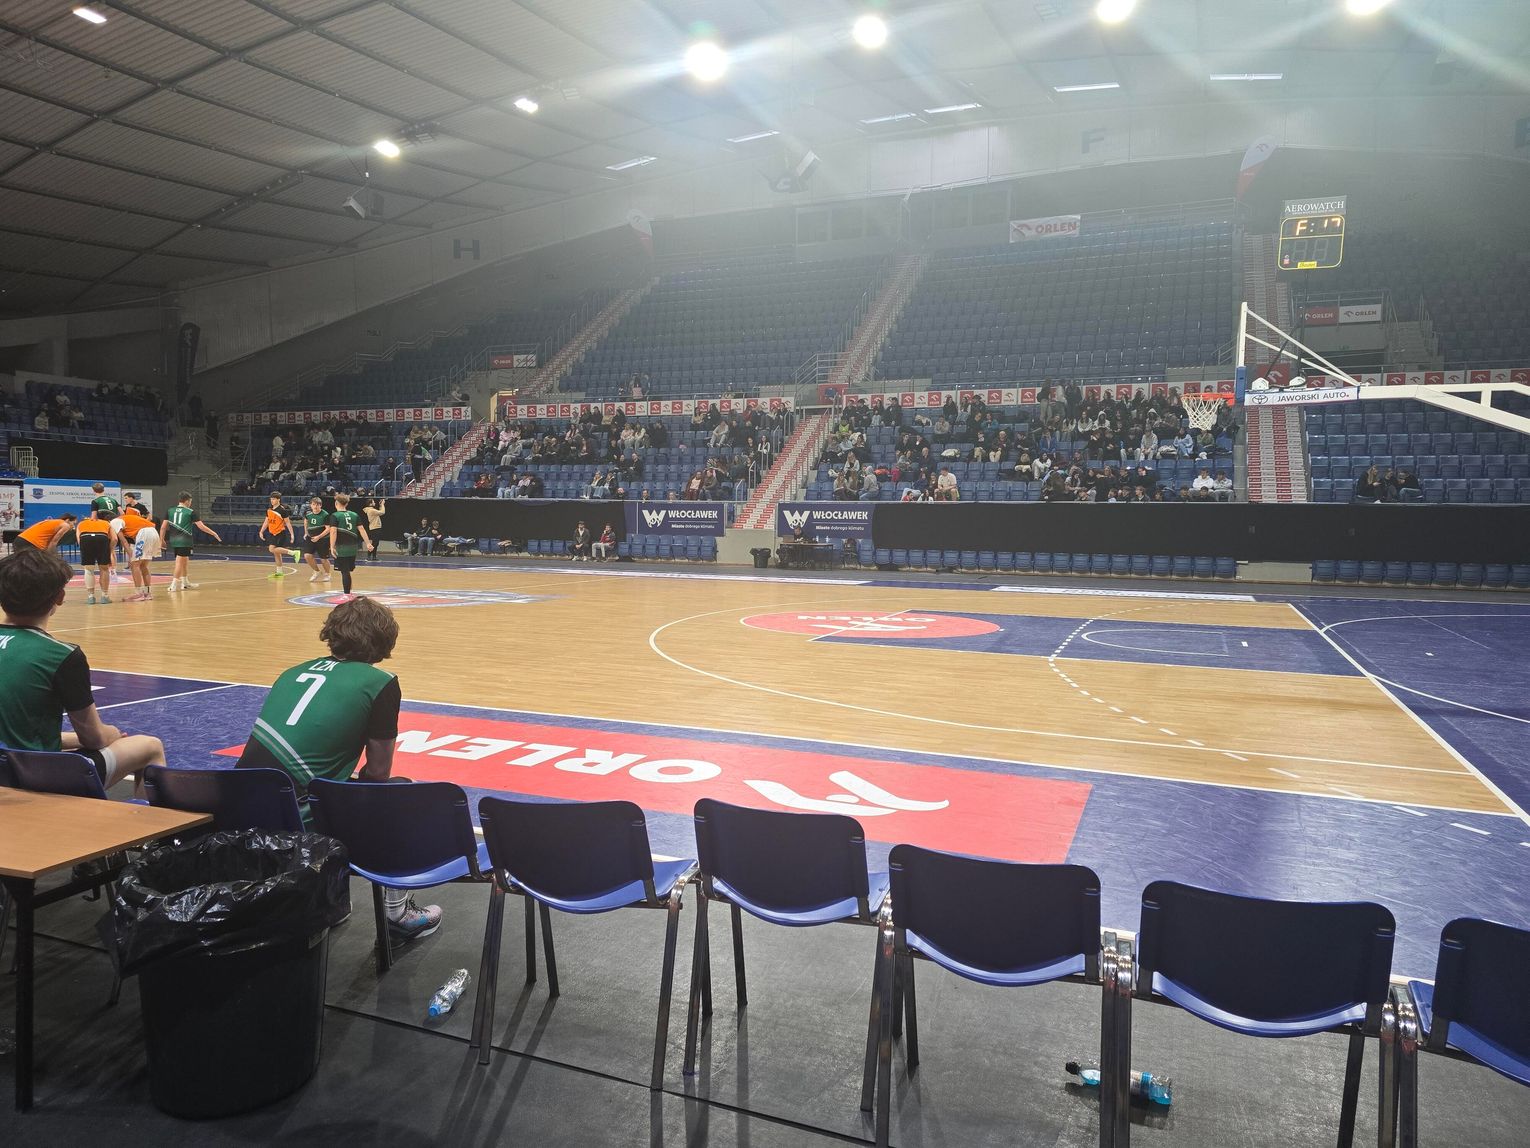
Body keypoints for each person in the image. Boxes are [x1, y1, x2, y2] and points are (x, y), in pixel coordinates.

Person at [234, 597, 439, 942]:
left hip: (238, 807)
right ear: (385, 639)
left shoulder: (292, 671)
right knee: (401, 790)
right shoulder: (380, 682)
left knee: (326, 784)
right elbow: (378, 773)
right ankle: (398, 914)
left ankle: (330, 897)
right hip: (296, 816)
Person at [0, 548, 166, 789]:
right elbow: (94, 738)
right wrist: (111, 733)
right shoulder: (60, 655)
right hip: (30, 777)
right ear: (60, 597)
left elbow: (15, 733)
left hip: (6, 763)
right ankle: (143, 816)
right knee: (150, 746)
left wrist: (73, 740)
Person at [161, 491, 222, 591]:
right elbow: (201, 526)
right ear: (187, 501)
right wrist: (213, 533)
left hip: (174, 540)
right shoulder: (190, 512)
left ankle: (185, 582)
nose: (190, 503)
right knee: (179, 562)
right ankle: (173, 585)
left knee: (185, 560)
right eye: (190, 501)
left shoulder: (170, 510)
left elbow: (163, 527)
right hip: (185, 540)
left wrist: (162, 539)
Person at [325, 493, 371, 600]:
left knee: (344, 572)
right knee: (347, 571)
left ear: (336, 503)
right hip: (353, 548)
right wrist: (368, 543)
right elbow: (362, 529)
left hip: (341, 548)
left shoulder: (335, 516)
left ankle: (346, 595)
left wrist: (332, 546)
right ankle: (349, 592)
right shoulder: (354, 515)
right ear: (346, 504)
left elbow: (333, 532)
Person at [113, 507, 160, 602]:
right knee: (143, 566)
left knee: (135, 564)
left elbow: (124, 541)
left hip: (144, 534)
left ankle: (138, 593)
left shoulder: (114, 521)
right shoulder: (133, 519)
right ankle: (147, 593)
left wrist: (131, 555)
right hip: (154, 532)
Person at [75, 513, 116, 606]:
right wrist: (109, 550)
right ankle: (104, 596)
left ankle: (91, 597)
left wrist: (84, 548)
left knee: (88, 569)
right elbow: (114, 539)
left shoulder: (81, 524)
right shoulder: (106, 523)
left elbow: (79, 540)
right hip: (102, 538)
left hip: (85, 538)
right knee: (104, 569)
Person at [261, 493, 299, 578]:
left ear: (278, 499)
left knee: (271, 549)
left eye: (274, 499)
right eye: (271, 499)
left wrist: (292, 534)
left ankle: (293, 553)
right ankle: (279, 572)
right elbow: (266, 521)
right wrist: (261, 531)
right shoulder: (269, 510)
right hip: (272, 533)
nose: (272, 501)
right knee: (276, 553)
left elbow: (288, 523)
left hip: (280, 533)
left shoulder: (282, 510)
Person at [301, 496, 334, 583]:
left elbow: (328, 529)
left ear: (320, 505)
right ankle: (316, 571)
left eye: (317, 505)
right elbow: (305, 522)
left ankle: (327, 574)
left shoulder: (325, 515)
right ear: (311, 505)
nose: (315, 506)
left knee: (323, 559)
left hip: (323, 539)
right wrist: (306, 533)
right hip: (311, 538)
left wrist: (318, 537)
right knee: (307, 555)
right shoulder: (308, 514)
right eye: (313, 504)